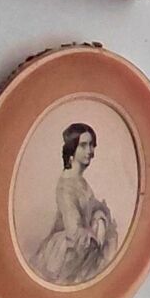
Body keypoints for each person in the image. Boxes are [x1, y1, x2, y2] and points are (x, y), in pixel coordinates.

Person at [32, 121, 118, 284]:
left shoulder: (80, 181)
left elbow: (93, 206)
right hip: (68, 250)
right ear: (72, 148)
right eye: (83, 145)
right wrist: (95, 235)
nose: (89, 151)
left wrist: (99, 217)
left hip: (84, 244)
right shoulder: (66, 186)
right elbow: (74, 230)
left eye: (91, 145)